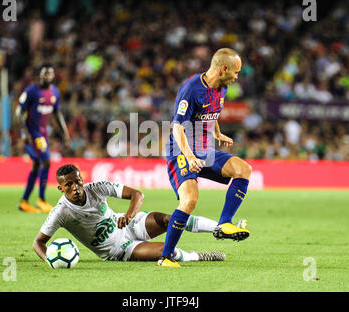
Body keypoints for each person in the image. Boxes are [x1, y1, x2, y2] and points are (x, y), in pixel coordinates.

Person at [160, 48, 252, 267]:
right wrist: (189, 156)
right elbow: (177, 128)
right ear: (224, 69)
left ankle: (224, 223)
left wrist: (217, 132)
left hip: (204, 149)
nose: (237, 76)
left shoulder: (222, 88)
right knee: (189, 201)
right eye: (236, 72)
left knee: (243, 169)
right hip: (181, 151)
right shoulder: (191, 89)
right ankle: (166, 257)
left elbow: (211, 110)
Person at [33, 164, 225, 263]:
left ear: (82, 179)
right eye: (69, 185)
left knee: (168, 218)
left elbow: (137, 194)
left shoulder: (96, 188)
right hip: (118, 249)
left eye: (77, 181)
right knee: (165, 252)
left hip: (128, 224)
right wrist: (49, 259)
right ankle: (198, 256)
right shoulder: (61, 212)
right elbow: (38, 243)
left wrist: (129, 215)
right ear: (61, 188)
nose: (75, 187)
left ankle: (219, 228)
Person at [16, 64, 70, 213]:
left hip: (42, 133)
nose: (47, 76)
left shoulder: (55, 92)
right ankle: (41, 199)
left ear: (53, 76)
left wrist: (65, 133)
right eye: (45, 73)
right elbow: (18, 112)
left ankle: (24, 201)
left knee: (37, 165)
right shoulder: (31, 91)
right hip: (32, 132)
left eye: (50, 74)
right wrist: (25, 133)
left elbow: (57, 114)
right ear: (39, 75)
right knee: (46, 161)